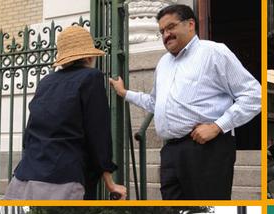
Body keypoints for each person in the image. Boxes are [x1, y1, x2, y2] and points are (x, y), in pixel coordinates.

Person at [108, 4, 261, 200]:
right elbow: (155, 103)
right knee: (175, 213)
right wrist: (124, 93)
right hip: (171, 152)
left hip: (207, 149)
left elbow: (254, 95)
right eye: (162, 31)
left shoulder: (214, 52)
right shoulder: (163, 63)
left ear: (190, 24)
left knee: (205, 212)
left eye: (171, 27)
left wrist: (217, 126)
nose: (166, 35)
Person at [4, 25, 127, 200]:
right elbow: (98, 133)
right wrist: (110, 182)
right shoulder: (91, 77)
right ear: (89, 56)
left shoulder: (46, 81)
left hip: (24, 178)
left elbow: (30, 131)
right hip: (63, 177)